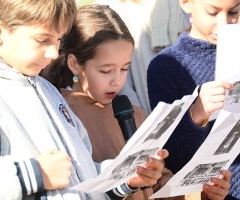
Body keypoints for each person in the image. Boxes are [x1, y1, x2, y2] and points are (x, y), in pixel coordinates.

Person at [0, 0, 168, 199]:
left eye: (58, 39)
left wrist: (124, 178)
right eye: (42, 40)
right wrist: (36, 173)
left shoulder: (47, 90)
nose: (53, 52)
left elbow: (80, 176)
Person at [42, 4, 231, 200]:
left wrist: (202, 193)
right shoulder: (63, 114)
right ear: (74, 64)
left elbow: (159, 184)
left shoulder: (136, 114)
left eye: (124, 69)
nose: (117, 80)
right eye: (105, 71)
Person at [147, 0, 240, 199]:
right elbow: (171, 159)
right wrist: (197, 114)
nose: (224, 22)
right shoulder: (167, 66)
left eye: (234, 11)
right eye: (212, 13)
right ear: (186, 3)